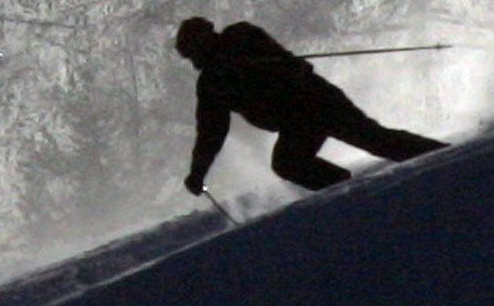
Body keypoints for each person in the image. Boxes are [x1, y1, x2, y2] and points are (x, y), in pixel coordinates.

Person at [175, 17, 444, 195]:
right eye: (192, 52)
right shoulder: (211, 84)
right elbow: (211, 131)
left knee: (376, 140)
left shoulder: (240, 36)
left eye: (197, 47)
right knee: (287, 163)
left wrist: (247, 63)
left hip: (317, 100)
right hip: (295, 123)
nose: (197, 55)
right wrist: (198, 172)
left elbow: (287, 62)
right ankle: (346, 191)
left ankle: (443, 158)